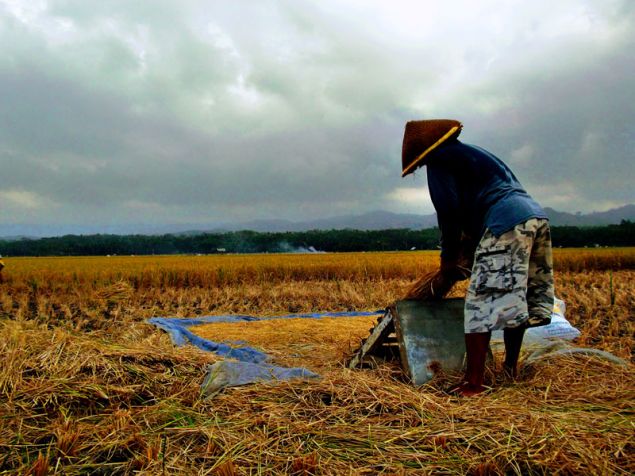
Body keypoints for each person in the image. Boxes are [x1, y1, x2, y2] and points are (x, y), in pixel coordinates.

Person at [401, 119, 554, 397]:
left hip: (504, 221)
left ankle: (473, 383)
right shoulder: (475, 153)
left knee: (480, 302)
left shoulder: (440, 161)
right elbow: (480, 201)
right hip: (534, 217)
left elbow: (449, 213)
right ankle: (509, 369)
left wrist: (448, 260)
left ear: (423, 153)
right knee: (514, 295)